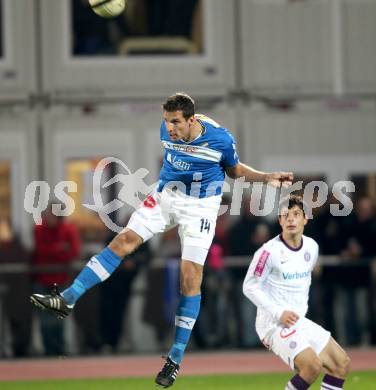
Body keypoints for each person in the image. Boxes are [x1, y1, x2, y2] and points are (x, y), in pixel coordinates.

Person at [30, 92, 292, 387]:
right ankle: (67, 299)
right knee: (122, 241)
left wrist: (267, 176)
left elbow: (234, 170)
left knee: (190, 277)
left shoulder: (220, 138)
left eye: (176, 122)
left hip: (200, 207)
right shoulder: (165, 128)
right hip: (166, 195)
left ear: (192, 120)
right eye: (166, 121)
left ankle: (175, 358)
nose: (170, 128)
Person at [243, 195, 350, 390]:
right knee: (312, 366)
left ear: (305, 219)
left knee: (340, 364)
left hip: (298, 321)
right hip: (273, 324)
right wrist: (278, 312)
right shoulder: (268, 252)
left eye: (296, 214)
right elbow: (249, 286)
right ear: (280, 220)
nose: (291, 219)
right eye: (286, 215)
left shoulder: (312, 247)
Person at [31, 204, 80, 355]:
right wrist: (59, 249)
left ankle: (60, 350)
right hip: (42, 279)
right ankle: (49, 350)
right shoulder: (39, 229)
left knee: (60, 318)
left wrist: (54, 250)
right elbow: (40, 251)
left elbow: (73, 252)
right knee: (45, 320)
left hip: (61, 281)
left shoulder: (69, 229)